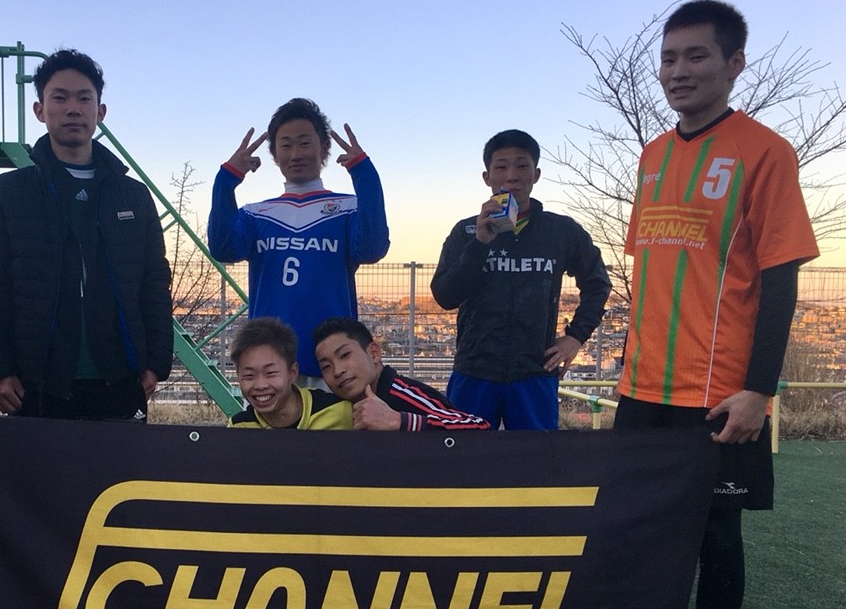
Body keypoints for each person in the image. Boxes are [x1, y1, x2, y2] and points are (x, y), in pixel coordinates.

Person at [614, 0, 819, 609]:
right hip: (640, 387)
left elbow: (780, 282)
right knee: (634, 530)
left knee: (715, 539)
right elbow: (657, 274)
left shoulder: (766, 152)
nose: (679, 71)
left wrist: (759, 389)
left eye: (696, 56)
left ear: (734, 64)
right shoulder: (652, 156)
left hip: (719, 394)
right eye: (669, 59)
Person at [0, 50, 173, 422]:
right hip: (34, 382)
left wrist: (156, 363)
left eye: (84, 98)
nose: (73, 109)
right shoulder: (8, 192)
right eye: (59, 98)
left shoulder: (133, 195)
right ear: (40, 110)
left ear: (100, 111)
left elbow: (154, 282)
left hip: (119, 379)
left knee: (120, 464)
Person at [430, 130, 611, 430]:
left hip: (534, 372)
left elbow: (598, 283)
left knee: (536, 456)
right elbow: (445, 296)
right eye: (501, 167)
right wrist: (480, 244)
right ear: (487, 177)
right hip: (474, 371)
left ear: (536, 174)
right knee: (464, 454)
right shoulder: (466, 231)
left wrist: (575, 337)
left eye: (522, 165)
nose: (511, 176)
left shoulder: (561, 231)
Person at [208, 98, 389, 385]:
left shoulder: (348, 208)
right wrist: (226, 179)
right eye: (286, 145)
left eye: (305, 143)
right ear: (274, 154)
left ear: (324, 148)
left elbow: (372, 249)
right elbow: (223, 248)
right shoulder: (256, 213)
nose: (295, 154)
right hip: (271, 366)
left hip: (331, 365)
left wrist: (364, 173)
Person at [313, 317, 490, 431]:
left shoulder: (402, 394)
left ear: (374, 353)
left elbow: (480, 427)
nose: (338, 371)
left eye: (345, 355)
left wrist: (399, 421)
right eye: (326, 366)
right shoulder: (334, 408)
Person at [228, 318, 352, 429]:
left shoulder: (339, 412)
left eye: (270, 373)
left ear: (293, 372)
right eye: (249, 376)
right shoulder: (240, 427)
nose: (260, 385)